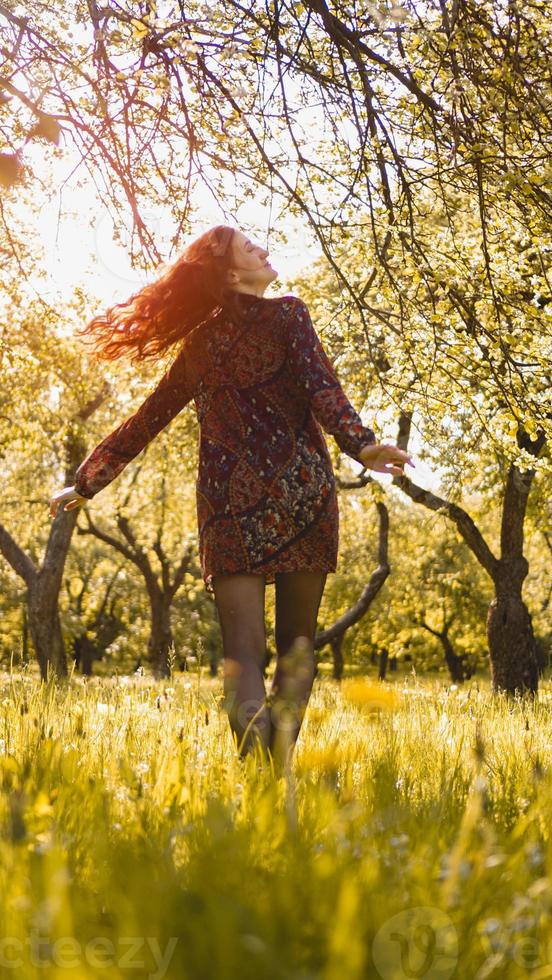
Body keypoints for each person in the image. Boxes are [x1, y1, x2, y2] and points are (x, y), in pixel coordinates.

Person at [49, 225, 414, 767]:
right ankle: (279, 773)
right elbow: (322, 388)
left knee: (241, 657)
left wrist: (86, 484)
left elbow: (148, 417)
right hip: (301, 491)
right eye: (250, 248)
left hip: (227, 503)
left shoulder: (201, 343)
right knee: (296, 647)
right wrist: (363, 446)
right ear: (231, 272)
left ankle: (259, 776)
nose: (264, 249)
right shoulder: (290, 314)